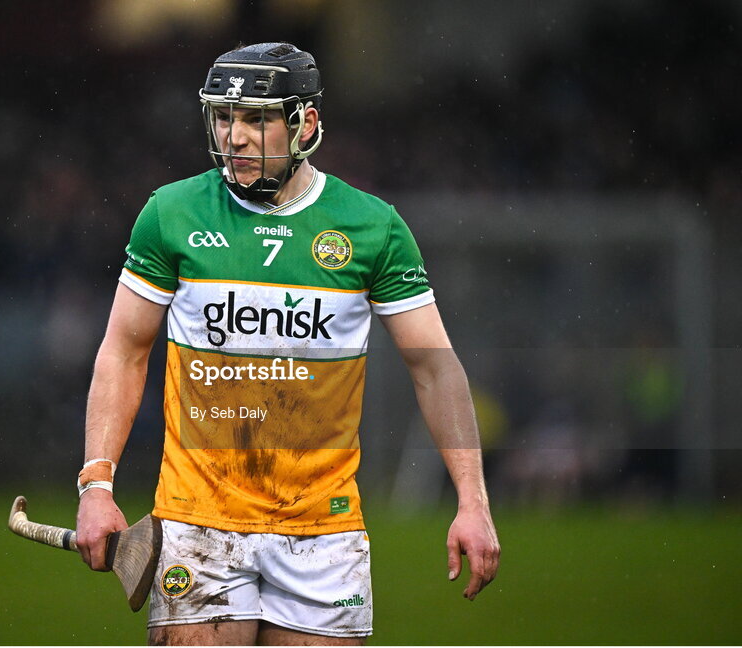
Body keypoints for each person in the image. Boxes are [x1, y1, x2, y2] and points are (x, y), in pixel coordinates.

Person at [75, 42, 500, 646]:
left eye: (257, 118)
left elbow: (436, 369)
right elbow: (123, 351)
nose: (236, 136)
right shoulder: (171, 213)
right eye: (224, 116)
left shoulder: (371, 227)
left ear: (306, 124)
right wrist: (97, 486)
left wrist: (473, 502)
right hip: (199, 520)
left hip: (323, 533)